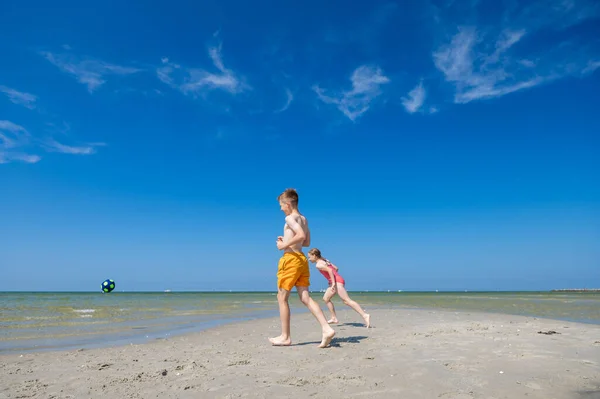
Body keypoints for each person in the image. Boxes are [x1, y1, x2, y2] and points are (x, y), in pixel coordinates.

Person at [269, 188, 336, 348]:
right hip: (301, 259)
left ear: (288, 204)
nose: (280, 209)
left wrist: (282, 245)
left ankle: (285, 337)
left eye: (281, 205)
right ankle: (326, 328)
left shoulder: (289, 218)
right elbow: (306, 243)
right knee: (305, 297)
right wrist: (286, 238)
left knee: (282, 298)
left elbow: (301, 236)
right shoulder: (304, 219)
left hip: (291, 259)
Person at [307, 248, 371, 328]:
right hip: (337, 280)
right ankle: (334, 318)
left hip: (337, 282)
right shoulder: (325, 262)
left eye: (309, 257)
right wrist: (331, 280)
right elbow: (336, 269)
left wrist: (333, 283)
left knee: (347, 300)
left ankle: (365, 315)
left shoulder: (319, 265)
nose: (309, 259)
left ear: (315, 256)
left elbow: (330, 271)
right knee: (326, 298)